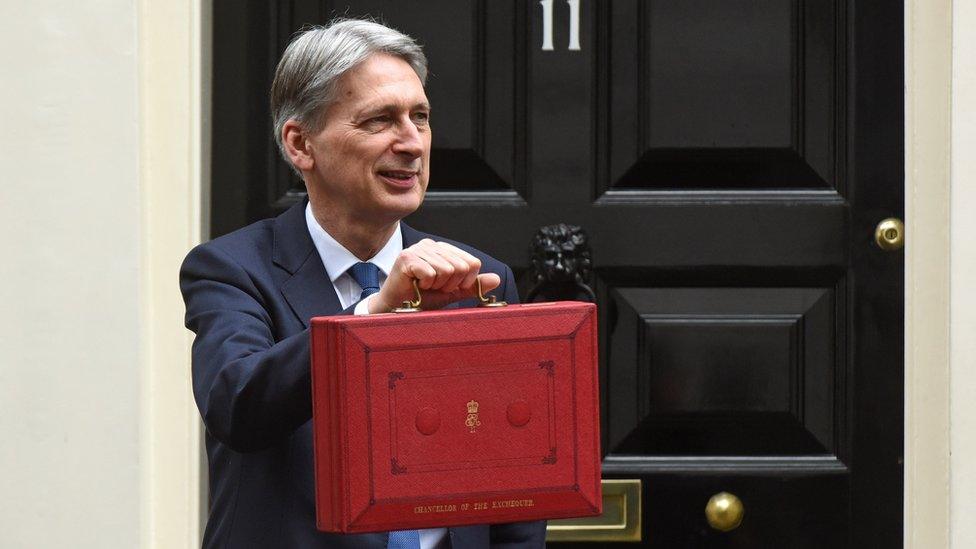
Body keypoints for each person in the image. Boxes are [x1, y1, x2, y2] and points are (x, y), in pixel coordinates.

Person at [180, 18, 547, 549]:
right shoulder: (232, 268)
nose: (412, 144)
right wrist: (373, 317)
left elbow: (515, 483)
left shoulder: (478, 276)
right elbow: (236, 407)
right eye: (380, 120)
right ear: (300, 144)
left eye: (420, 118)